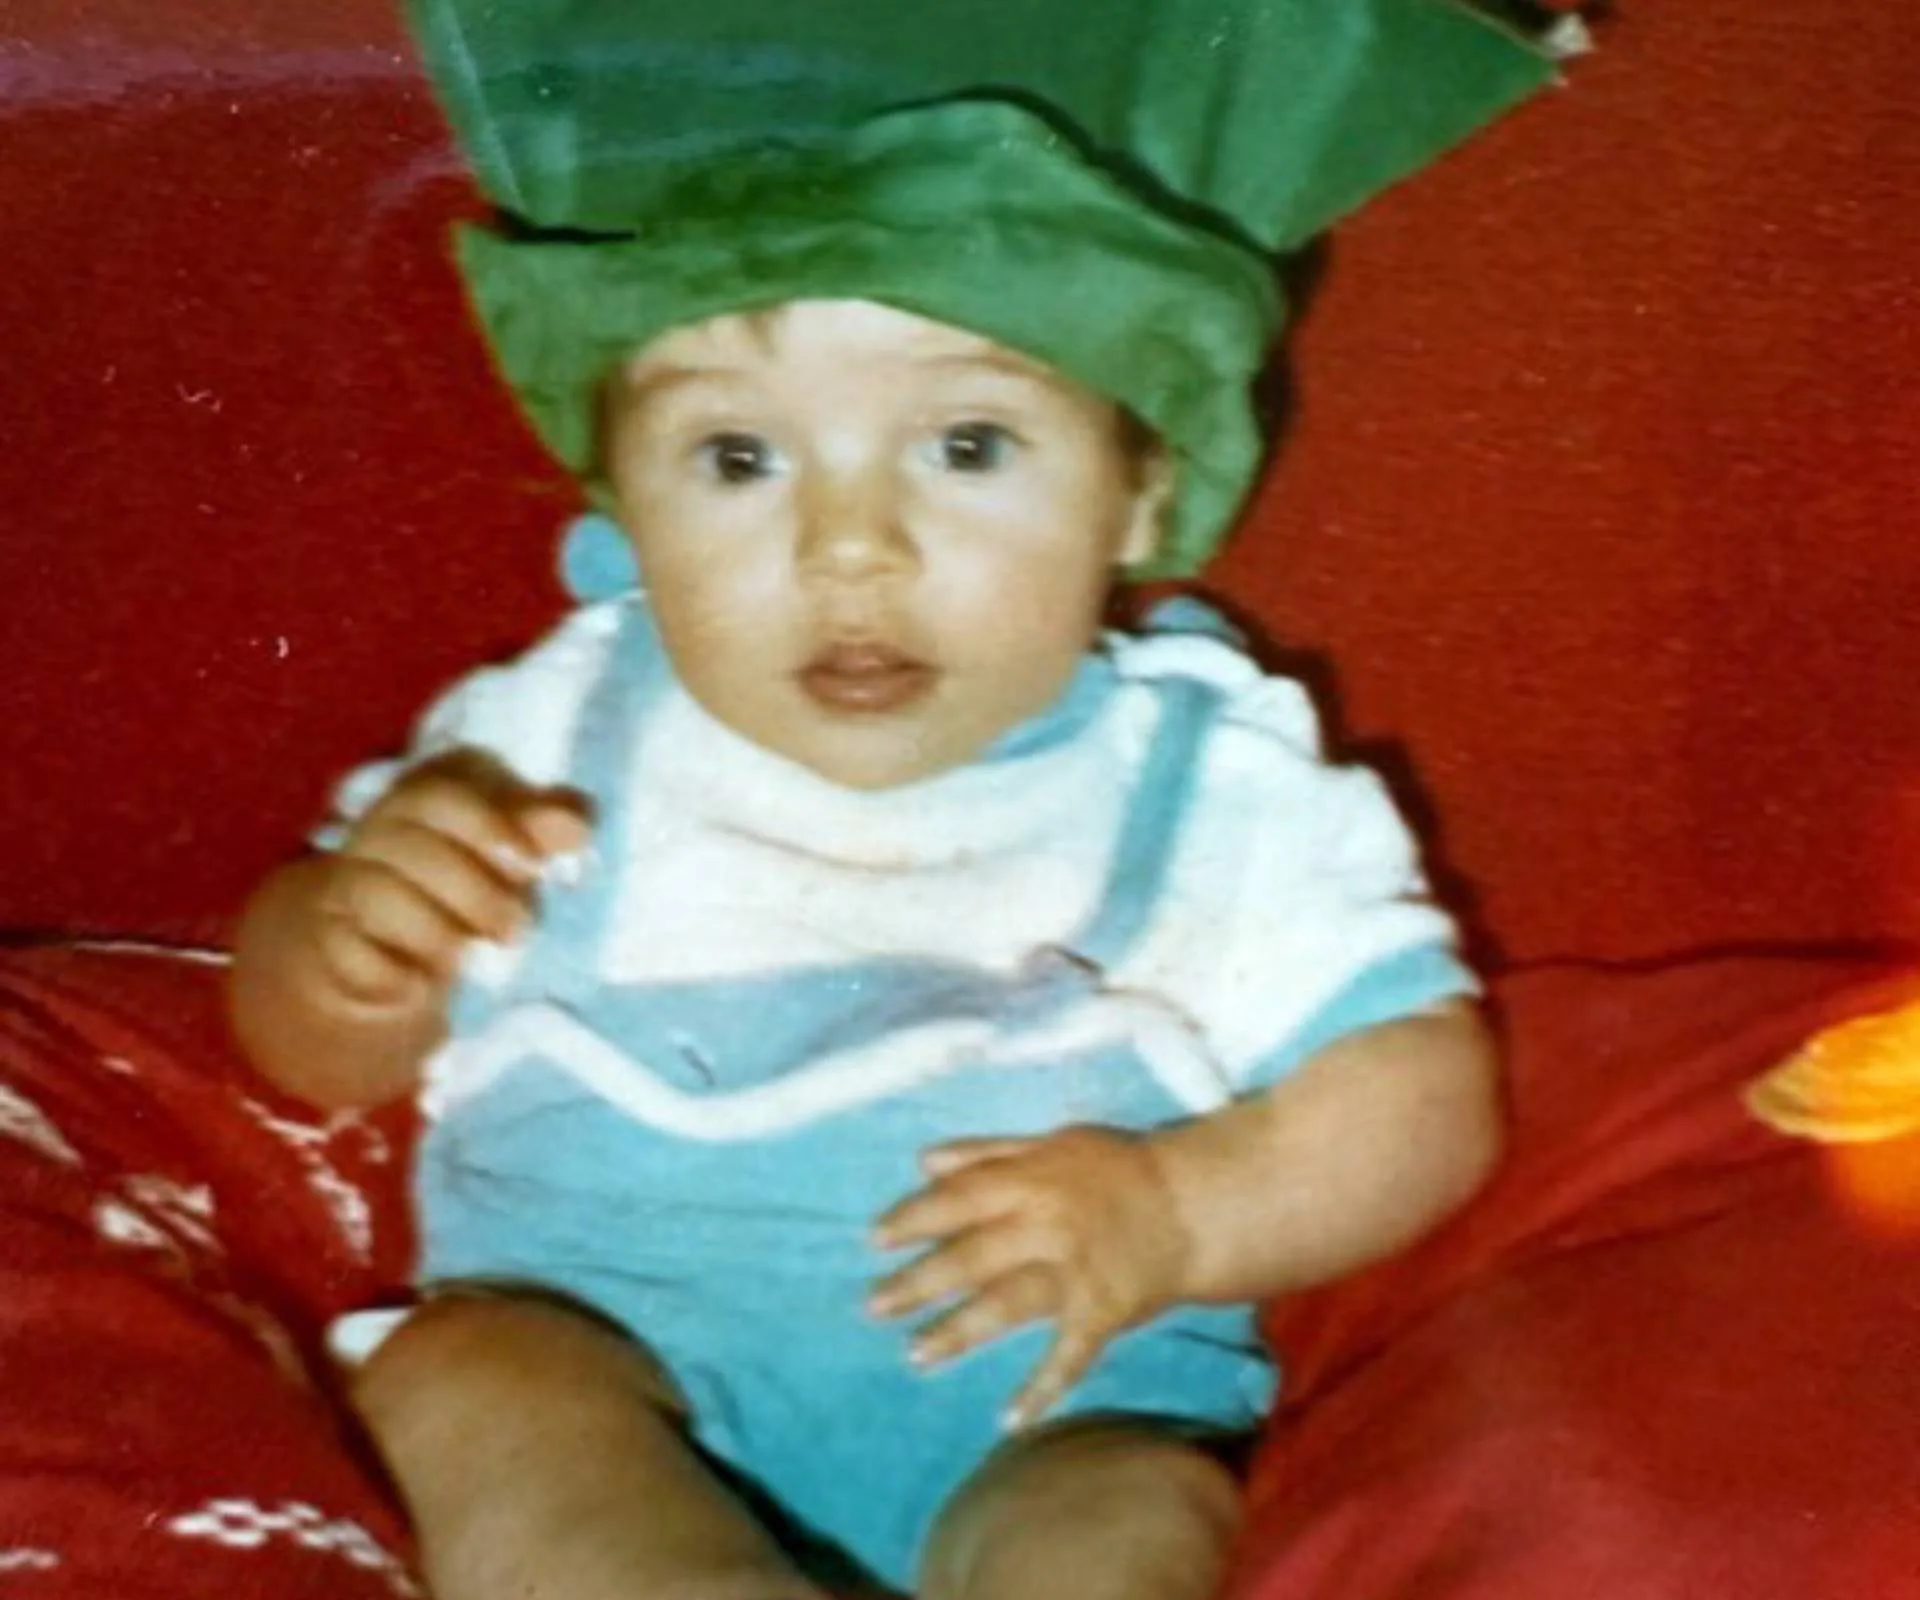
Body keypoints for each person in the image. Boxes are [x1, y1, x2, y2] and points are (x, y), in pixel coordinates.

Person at [229, 5, 1576, 1596]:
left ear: (1140, 491)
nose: (849, 547)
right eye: (739, 460)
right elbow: (318, 1055)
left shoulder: (1206, 783)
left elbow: (1416, 1094)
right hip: (603, 1349)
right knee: (463, 1383)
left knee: (1132, 1511)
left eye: (968, 444)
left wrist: (1176, 1214)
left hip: (1043, 1397)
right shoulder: (547, 734)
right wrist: (345, 950)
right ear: (622, 500)